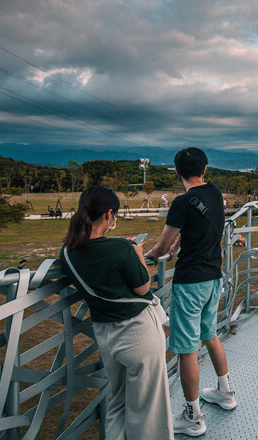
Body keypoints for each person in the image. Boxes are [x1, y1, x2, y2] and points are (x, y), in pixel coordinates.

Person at [57, 186, 172, 439]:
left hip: (106, 336)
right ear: (109, 214)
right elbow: (142, 287)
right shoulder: (120, 247)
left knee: (119, 401)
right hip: (138, 334)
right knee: (149, 411)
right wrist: (138, 253)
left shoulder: (67, 253)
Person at [145, 148, 235, 437]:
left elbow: (160, 248)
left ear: (176, 172)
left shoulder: (181, 203)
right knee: (210, 334)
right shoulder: (215, 192)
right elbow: (204, 223)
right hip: (213, 278)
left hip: (190, 283)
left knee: (186, 349)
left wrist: (144, 255)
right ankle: (225, 393)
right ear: (205, 170)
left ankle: (193, 417)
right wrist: (182, 239)